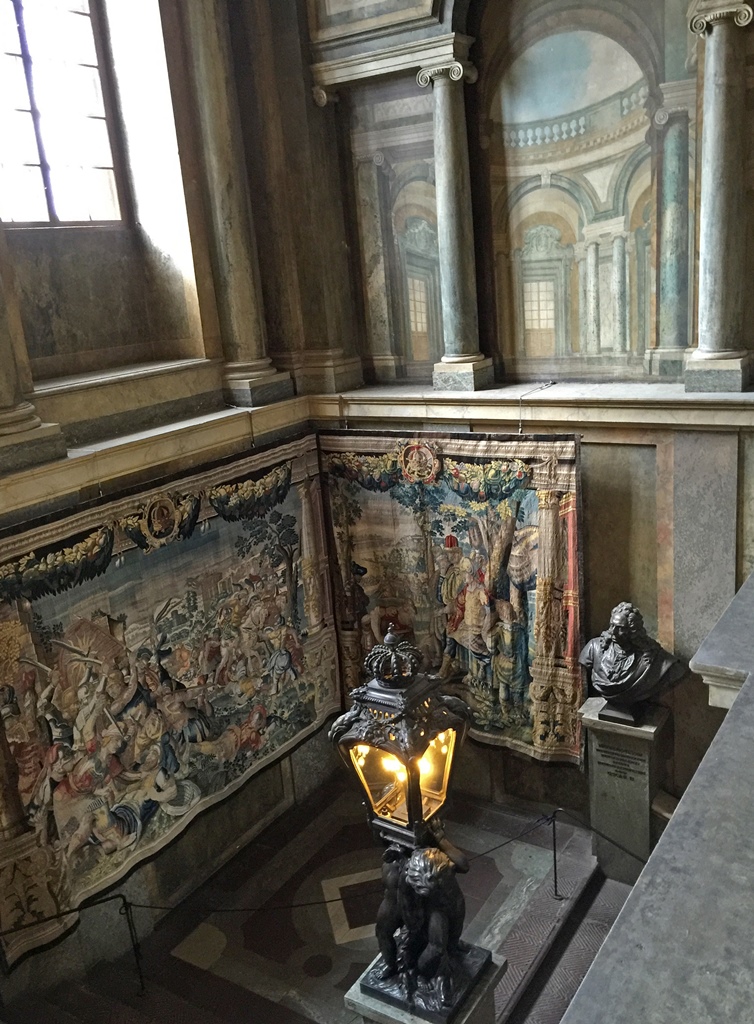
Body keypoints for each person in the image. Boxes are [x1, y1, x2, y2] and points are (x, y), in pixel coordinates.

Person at [579, 602, 686, 711]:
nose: (613, 632)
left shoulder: (657, 659)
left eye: (620, 628)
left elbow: (677, 670)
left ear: (632, 630)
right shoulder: (593, 648)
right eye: (612, 625)